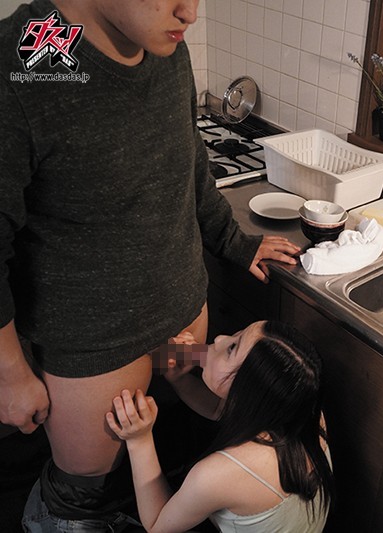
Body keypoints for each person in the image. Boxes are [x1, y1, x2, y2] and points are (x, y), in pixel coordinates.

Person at [0, 0, 300, 529]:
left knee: (174, 462)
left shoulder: (163, 44)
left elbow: (189, 159)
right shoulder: (25, 61)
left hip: (181, 319)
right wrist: (7, 373)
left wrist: (234, 241)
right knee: (83, 497)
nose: (191, 12)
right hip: (94, 348)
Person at [107, 321, 334, 533]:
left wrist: (139, 440)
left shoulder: (218, 474)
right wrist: (181, 374)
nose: (219, 338)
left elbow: (157, 525)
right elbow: (220, 409)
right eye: (237, 334)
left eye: (231, 348)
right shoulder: (304, 411)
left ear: (246, 391)